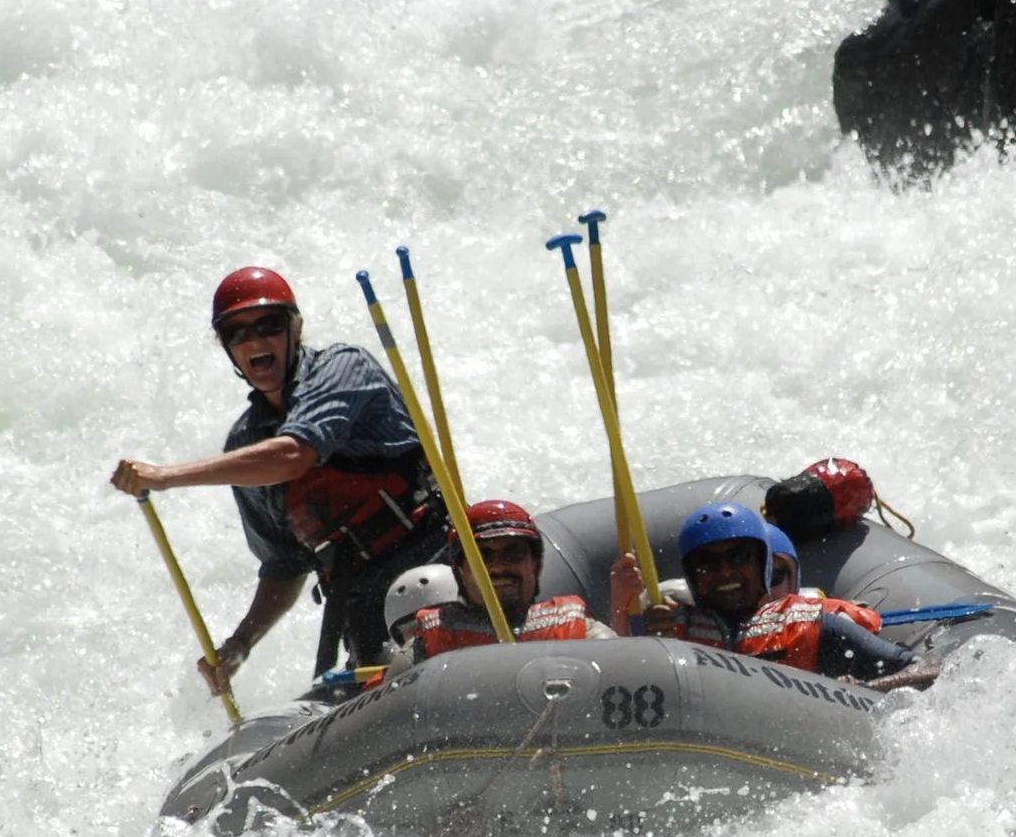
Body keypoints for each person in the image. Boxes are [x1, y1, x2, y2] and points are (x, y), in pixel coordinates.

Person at [110, 266, 447, 688]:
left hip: (435, 555)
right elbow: (284, 564)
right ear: (228, 348)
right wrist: (241, 642)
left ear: (296, 327)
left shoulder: (344, 367)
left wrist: (167, 476)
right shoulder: (246, 446)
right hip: (359, 598)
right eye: (237, 333)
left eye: (269, 325)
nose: (254, 341)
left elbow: (295, 453)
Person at [643, 502, 937, 691]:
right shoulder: (670, 627)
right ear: (692, 577)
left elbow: (926, 670)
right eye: (707, 563)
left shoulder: (814, 624)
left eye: (740, 558)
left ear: (763, 564)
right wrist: (650, 643)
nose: (725, 572)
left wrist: (865, 690)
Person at [385, 499, 615, 674]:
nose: (498, 567)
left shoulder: (577, 628)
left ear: (535, 566)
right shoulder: (428, 642)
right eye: (482, 556)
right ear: (461, 571)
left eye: (513, 553)